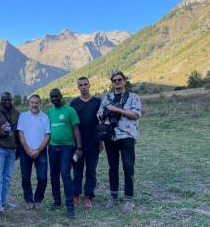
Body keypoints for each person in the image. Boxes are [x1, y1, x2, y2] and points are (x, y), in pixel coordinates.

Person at [97, 71, 141, 213]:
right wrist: (103, 114)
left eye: (119, 79)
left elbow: (135, 115)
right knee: (112, 168)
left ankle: (129, 199)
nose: (117, 82)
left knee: (128, 168)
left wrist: (116, 109)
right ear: (112, 82)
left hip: (127, 136)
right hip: (110, 136)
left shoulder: (133, 97)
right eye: (114, 80)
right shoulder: (107, 98)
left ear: (124, 81)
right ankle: (113, 196)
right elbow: (99, 115)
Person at [47, 88, 83, 219]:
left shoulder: (70, 110)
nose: (54, 98)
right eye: (52, 97)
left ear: (61, 96)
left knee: (65, 174)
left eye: (56, 96)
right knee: (53, 174)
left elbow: (76, 129)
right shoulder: (49, 111)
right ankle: (57, 201)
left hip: (68, 147)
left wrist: (79, 147)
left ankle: (70, 206)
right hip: (52, 147)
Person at [70, 77, 102, 208]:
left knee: (91, 170)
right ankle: (76, 194)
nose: (83, 87)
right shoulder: (73, 103)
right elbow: (71, 124)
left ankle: (88, 196)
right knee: (77, 169)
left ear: (89, 85)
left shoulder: (97, 102)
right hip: (77, 144)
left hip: (93, 142)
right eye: (80, 85)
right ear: (78, 87)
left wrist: (101, 141)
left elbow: (101, 123)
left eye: (85, 84)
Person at [0, 92, 20, 214]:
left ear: (11, 100)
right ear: (1, 100)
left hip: (12, 149)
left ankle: (4, 201)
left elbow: (19, 130)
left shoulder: (17, 113)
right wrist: (1, 133)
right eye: (4, 99)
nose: (7, 101)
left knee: (7, 177)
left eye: (9, 99)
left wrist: (19, 147)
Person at [17, 94, 50, 210]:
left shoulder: (45, 117)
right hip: (25, 151)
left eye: (36, 102)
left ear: (39, 103)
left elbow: (47, 135)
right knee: (25, 177)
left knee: (42, 178)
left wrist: (38, 150)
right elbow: (20, 133)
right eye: (32, 102)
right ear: (29, 103)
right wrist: (27, 149)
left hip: (40, 151)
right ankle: (29, 200)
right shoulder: (23, 116)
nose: (34, 105)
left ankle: (38, 199)